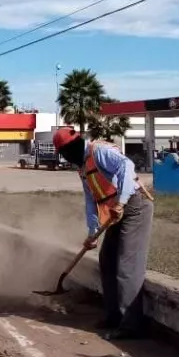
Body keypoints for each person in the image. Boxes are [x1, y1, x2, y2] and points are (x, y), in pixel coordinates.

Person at [53, 126, 154, 340]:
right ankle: (113, 316)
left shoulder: (99, 151)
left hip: (135, 205)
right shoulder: (82, 167)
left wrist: (122, 201)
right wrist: (92, 231)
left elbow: (127, 165)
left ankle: (131, 326)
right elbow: (91, 200)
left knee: (127, 265)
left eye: (63, 153)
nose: (64, 157)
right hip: (114, 211)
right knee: (107, 260)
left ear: (70, 148)